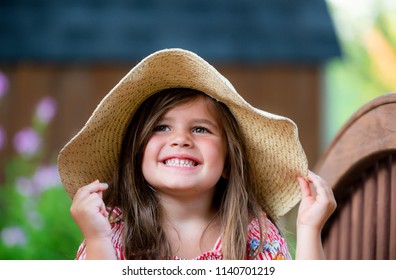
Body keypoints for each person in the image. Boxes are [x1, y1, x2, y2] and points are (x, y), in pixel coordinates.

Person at [57, 48, 336, 260]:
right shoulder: (113, 232)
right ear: (137, 153)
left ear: (228, 162)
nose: (180, 139)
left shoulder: (253, 235)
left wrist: (310, 229)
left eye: (201, 129)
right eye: (162, 127)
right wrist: (96, 238)